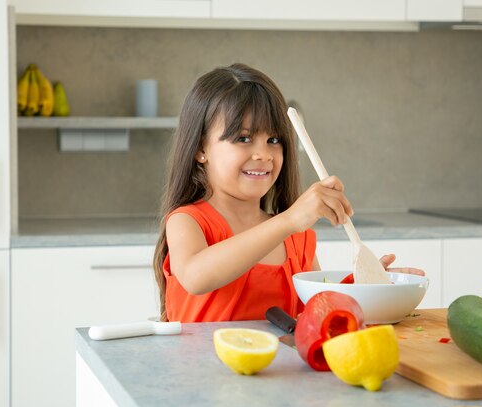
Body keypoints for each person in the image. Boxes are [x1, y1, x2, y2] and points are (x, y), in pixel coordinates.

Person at [153, 63, 423, 322]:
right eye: (243, 138)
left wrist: (366, 290)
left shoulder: (297, 238)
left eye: (273, 140)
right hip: (199, 370)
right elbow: (196, 277)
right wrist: (289, 220)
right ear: (201, 149)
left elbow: (320, 312)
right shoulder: (187, 221)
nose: (263, 154)